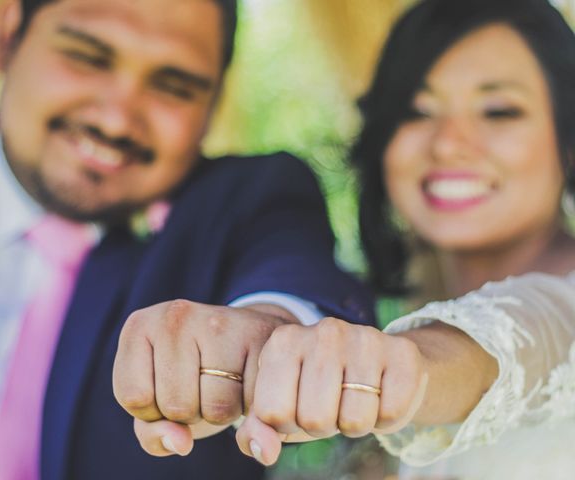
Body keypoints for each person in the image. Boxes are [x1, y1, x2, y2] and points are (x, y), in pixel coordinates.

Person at [0, 0, 375, 479]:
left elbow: (301, 290)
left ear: (212, 108)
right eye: (87, 56)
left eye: (174, 86)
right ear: (7, 39)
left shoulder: (251, 202)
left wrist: (270, 330)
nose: (116, 121)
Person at [226, 0, 575, 478]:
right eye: (416, 109)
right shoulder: (378, 300)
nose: (449, 142)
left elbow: (536, 324)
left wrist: (399, 367)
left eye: (498, 111)